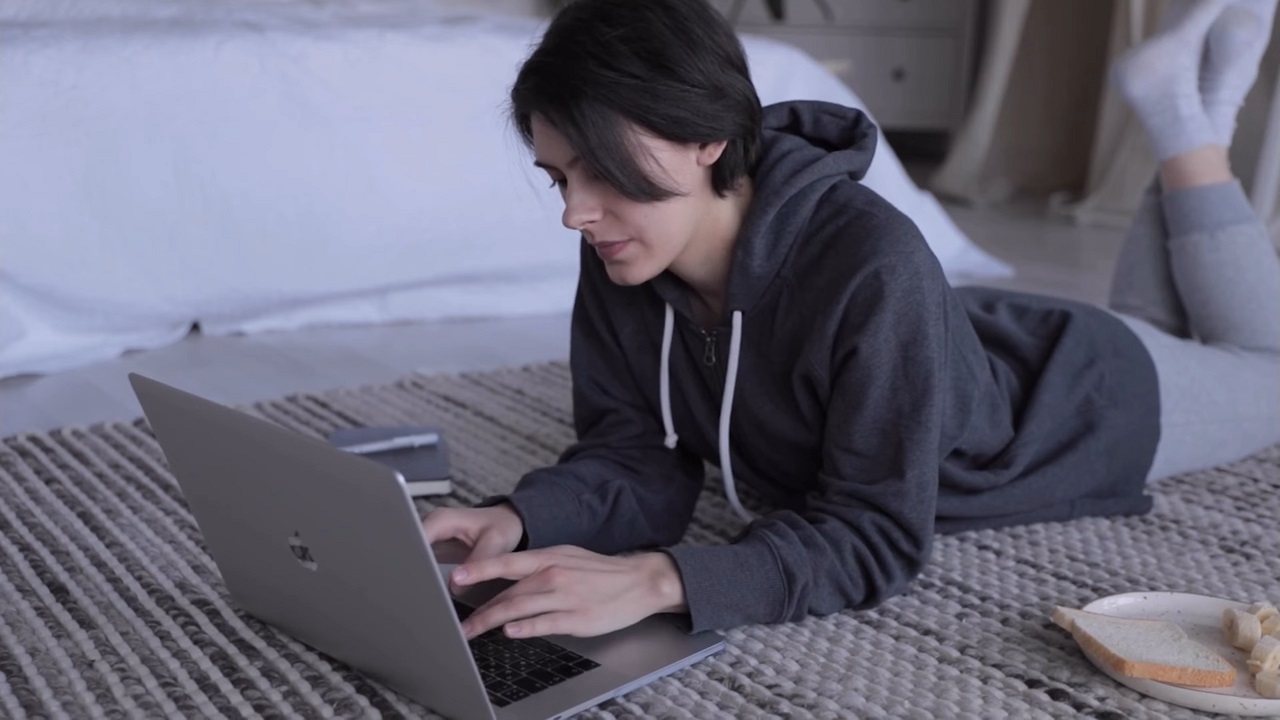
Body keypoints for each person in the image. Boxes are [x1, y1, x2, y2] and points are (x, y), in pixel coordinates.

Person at [423, 0, 1280, 641]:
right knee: (1166, 318)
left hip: (1080, 403)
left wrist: (661, 581)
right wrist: (528, 519)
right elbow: (635, 450)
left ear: (708, 137)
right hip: (978, 340)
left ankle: (1188, 126)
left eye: (601, 171)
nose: (576, 213)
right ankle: (1189, 109)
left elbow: (874, 534)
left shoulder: (873, 262)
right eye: (558, 177)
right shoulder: (626, 247)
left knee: (1264, 364)